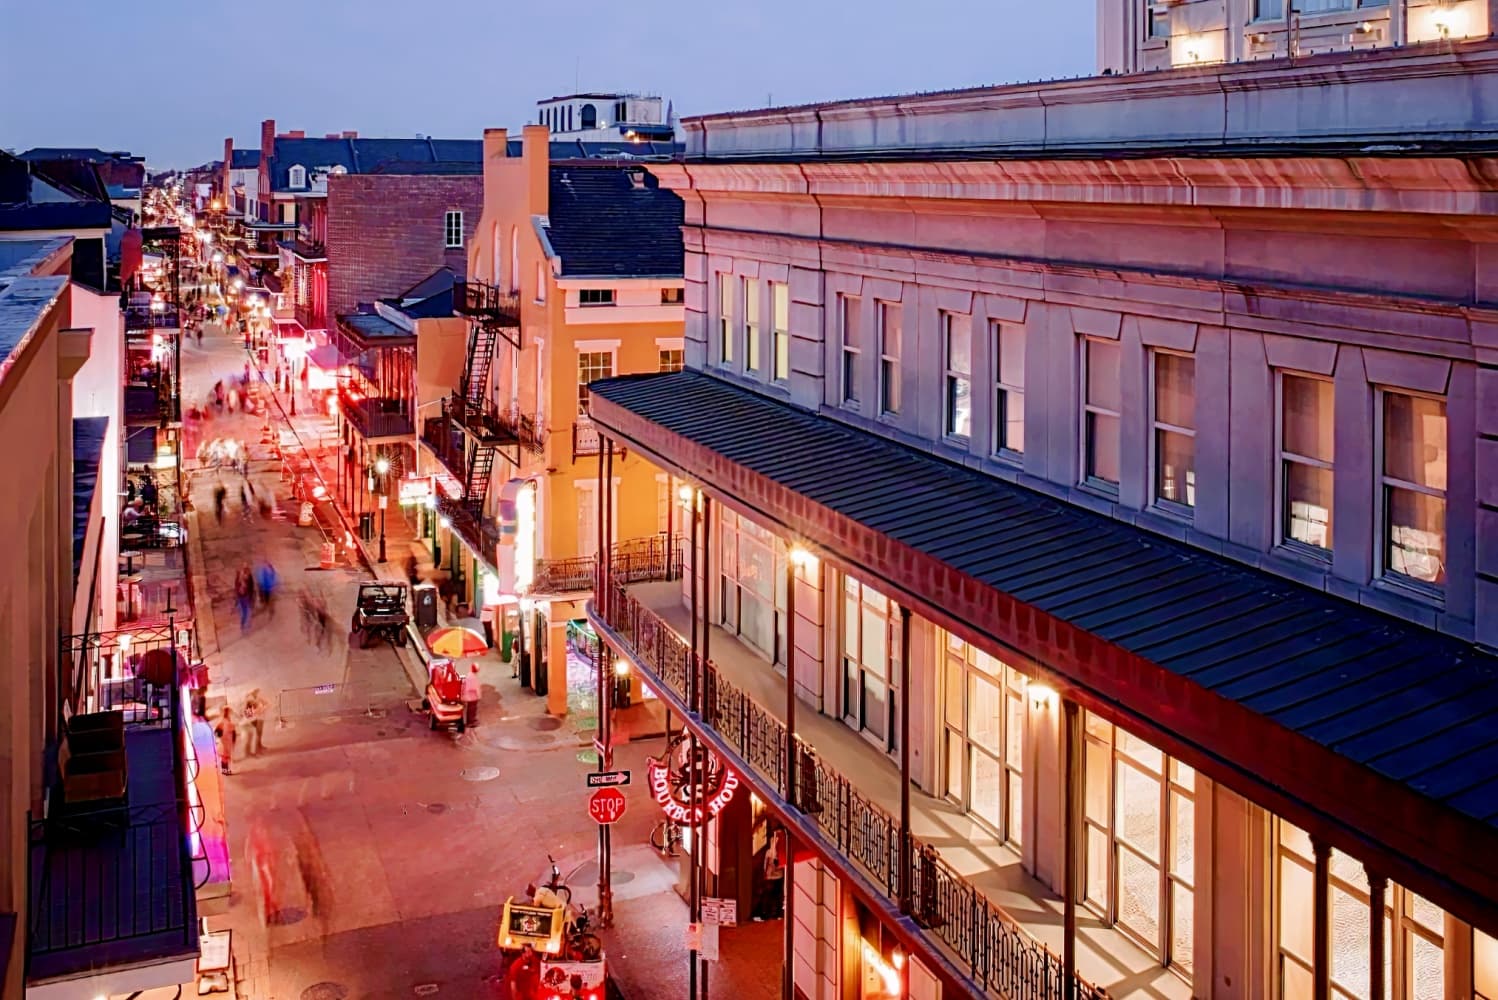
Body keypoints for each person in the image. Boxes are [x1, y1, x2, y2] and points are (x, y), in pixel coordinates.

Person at [242, 689, 267, 755]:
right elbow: (248, 714)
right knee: (251, 737)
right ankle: (252, 751)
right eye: (254, 692)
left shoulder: (256, 699)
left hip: (255, 719)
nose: (256, 693)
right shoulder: (249, 701)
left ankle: (257, 748)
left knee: (257, 734)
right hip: (251, 721)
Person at [213, 707, 237, 775]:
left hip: (226, 741)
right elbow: (216, 732)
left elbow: (216, 732)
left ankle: (225, 770)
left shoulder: (223, 721)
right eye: (229, 712)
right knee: (225, 756)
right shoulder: (225, 722)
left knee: (225, 756)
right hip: (225, 741)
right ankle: (225, 771)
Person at [235, 565, 254, 630]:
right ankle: (244, 624)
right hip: (244, 598)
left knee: (246, 612)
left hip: (243, 598)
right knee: (246, 612)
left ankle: (244, 624)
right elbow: (242, 591)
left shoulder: (239, 581)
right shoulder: (241, 583)